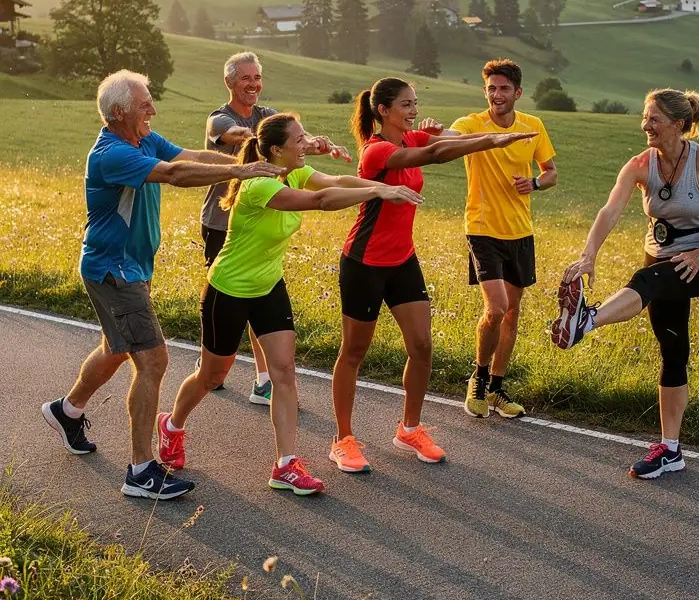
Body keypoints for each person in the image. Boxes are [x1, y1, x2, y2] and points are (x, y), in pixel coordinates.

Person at [41, 69, 283, 501]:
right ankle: (140, 471)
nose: (153, 108)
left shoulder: (143, 138)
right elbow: (175, 174)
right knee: (152, 361)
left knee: (118, 348)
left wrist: (246, 165)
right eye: (144, 103)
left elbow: (191, 155)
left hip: (129, 268)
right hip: (116, 272)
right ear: (119, 113)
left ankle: (68, 409)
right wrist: (243, 173)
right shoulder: (112, 154)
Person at [157, 113, 422, 496]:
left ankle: (285, 465)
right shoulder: (258, 186)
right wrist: (377, 192)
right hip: (229, 289)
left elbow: (334, 182)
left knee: (284, 372)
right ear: (277, 149)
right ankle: (173, 425)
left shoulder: (293, 171)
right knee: (213, 375)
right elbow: (321, 200)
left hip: (268, 286)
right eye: (299, 140)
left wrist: (374, 184)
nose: (307, 144)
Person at [329, 77, 536, 473]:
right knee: (354, 352)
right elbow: (439, 154)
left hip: (402, 260)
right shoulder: (377, 151)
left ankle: (409, 428)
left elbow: (445, 143)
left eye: (415, 104)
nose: (414, 111)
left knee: (422, 346)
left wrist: (484, 137)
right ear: (383, 111)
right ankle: (343, 438)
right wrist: (489, 141)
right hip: (364, 262)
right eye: (406, 105)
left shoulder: (410, 139)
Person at [552, 88, 699, 479]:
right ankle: (670, 450)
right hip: (661, 256)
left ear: (678, 124)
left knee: (647, 280)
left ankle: (585, 321)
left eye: (654, 119)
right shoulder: (640, 164)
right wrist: (589, 254)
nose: (646, 125)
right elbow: (610, 210)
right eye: (645, 117)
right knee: (673, 348)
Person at [201, 50, 349, 401]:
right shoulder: (220, 118)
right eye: (245, 78)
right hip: (223, 221)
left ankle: (263, 377)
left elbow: (299, 140)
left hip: (266, 217)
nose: (253, 84)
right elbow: (226, 133)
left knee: (257, 295)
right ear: (229, 83)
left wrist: (321, 146)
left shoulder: (269, 116)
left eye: (257, 77)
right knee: (232, 295)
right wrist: (246, 136)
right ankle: (215, 360)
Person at [447, 60, 556, 420]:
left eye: (503, 89)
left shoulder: (533, 126)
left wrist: (535, 183)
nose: (496, 95)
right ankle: (477, 379)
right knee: (494, 309)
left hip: (520, 231)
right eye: (491, 88)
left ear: (517, 93)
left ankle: (496, 389)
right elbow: (450, 136)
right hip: (482, 228)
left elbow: (550, 172)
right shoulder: (472, 124)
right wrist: (435, 132)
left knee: (512, 312)